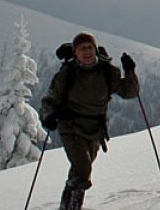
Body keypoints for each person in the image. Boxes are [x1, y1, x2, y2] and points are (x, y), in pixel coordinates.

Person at [41, 32, 139, 210]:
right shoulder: (67, 74)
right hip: (70, 127)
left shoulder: (108, 72)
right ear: (75, 52)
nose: (86, 52)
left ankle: (67, 206)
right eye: (81, 48)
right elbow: (49, 100)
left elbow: (129, 92)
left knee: (79, 172)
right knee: (82, 170)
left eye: (89, 47)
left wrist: (130, 71)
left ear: (95, 49)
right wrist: (49, 116)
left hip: (95, 131)